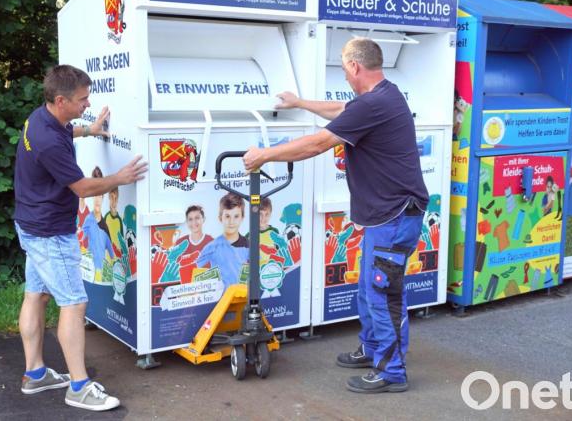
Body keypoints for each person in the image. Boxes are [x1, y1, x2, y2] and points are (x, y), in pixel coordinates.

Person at [243, 38, 428, 394]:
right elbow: (341, 110)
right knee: (369, 288)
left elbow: (317, 144)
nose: (344, 76)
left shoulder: (375, 103)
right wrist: (299, 103)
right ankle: (372, 349)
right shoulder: (383, 95)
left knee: (383, 293)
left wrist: (263, 155)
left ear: (355, 66)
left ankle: (392, 372)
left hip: (394, 218)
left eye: (344, 69)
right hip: (385, 217)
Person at [13, 64, 148, 411]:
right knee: (73, 304)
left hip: (31, 224)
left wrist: (89, 130)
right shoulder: (47, 141)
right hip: (50, 233)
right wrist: (120, 177)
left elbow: (65, 132)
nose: (88, 103)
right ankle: (79, 387)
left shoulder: (41, 119)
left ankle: (35, 374)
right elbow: (84, 187)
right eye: (82, 99)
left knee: (36, 295)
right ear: (61, 100)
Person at [196, 193, 249, 287]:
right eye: (227, 216)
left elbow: (259, 271)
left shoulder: (249, 246)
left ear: (242, 218)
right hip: (221, 296)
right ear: (220, 218)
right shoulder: (212, 247)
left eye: (236, 216)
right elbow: (194, 272)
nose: (231, 222)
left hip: (244, 295)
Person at [174, 205, 213, 283]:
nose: (194, 222)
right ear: (187, 222)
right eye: (190, 219)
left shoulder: (211, 242)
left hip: (207, 287)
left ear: (203, 219)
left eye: (197, 218)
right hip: (186, 288)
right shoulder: (180, 243)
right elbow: (175, 272)